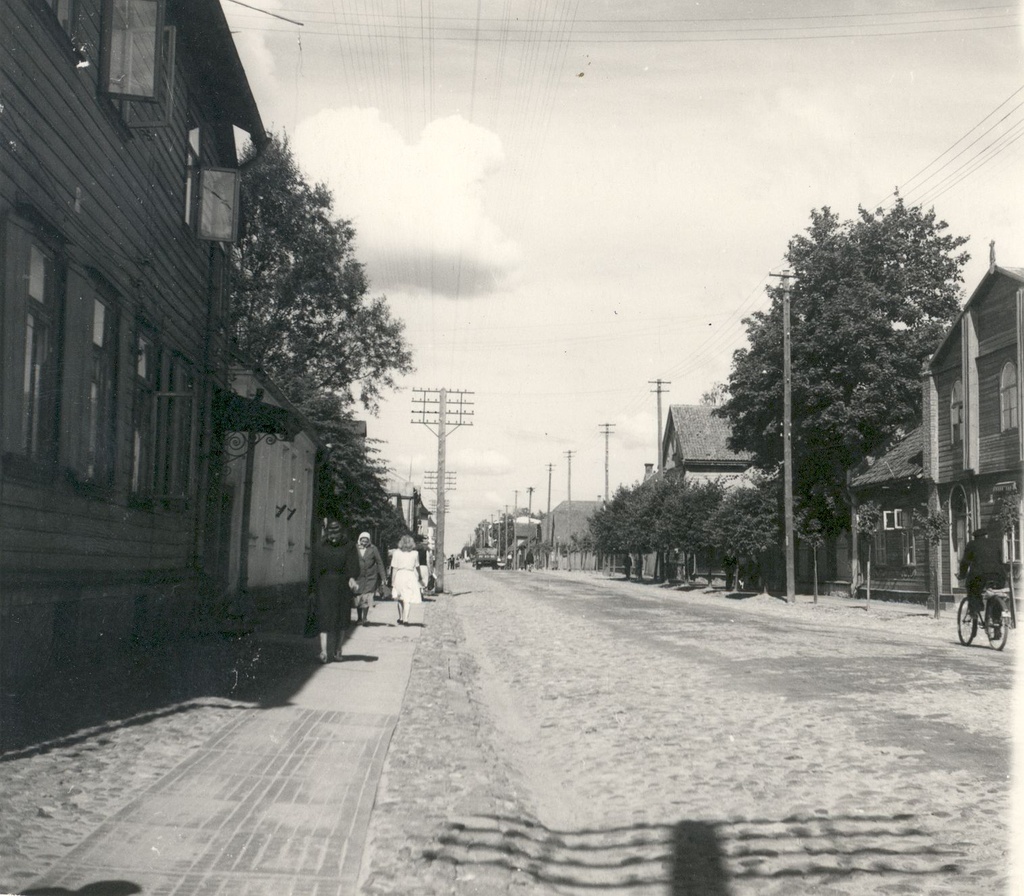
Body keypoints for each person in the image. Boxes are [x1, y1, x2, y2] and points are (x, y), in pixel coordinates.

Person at [312, 520, 358, 663]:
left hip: (342, 586)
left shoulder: (349, 546)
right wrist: (312, 589)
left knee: (341, 619)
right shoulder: (320, 546)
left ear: (341, 532)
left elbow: (353, 566)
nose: (333, 536)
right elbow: (314, 569)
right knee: (324, 618)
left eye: (336, 533)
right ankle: (324, 652)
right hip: (324, 586)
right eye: (331, 533)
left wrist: (352, 578)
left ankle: (338, 650)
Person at [958, 526, 1005, 619]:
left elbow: (965, 562)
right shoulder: (995, 544)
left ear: (975, 537)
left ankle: (976, 610)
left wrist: (962, 575)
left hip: (979, 574)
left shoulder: (971, 544)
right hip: (998, 575)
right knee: (995, 594)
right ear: (986, 536)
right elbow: (1000, 560)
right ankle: (997, 623)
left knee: (971, 587)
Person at [352, 531, 385, 624]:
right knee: (358, 597)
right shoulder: (355, 548)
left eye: (366, 541)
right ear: (359, 540)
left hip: (370, 577)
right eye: (362, 540)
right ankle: (359, 618)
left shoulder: (373, 548)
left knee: (366, 597)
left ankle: (364, 618)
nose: (364, 543)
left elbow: (379, 562)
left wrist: (383, 577)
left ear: (369, 541)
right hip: (358, 577)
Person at [390, 534, 424, 625]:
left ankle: (400, 617)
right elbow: (417, 566)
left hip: (399, 575)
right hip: (410, 575)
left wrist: (392, 581)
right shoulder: (415, 553)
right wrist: (420, 576)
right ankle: (406, 619)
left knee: (400, 598)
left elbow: (394, 568)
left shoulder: (396, 553)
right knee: (407, 598)